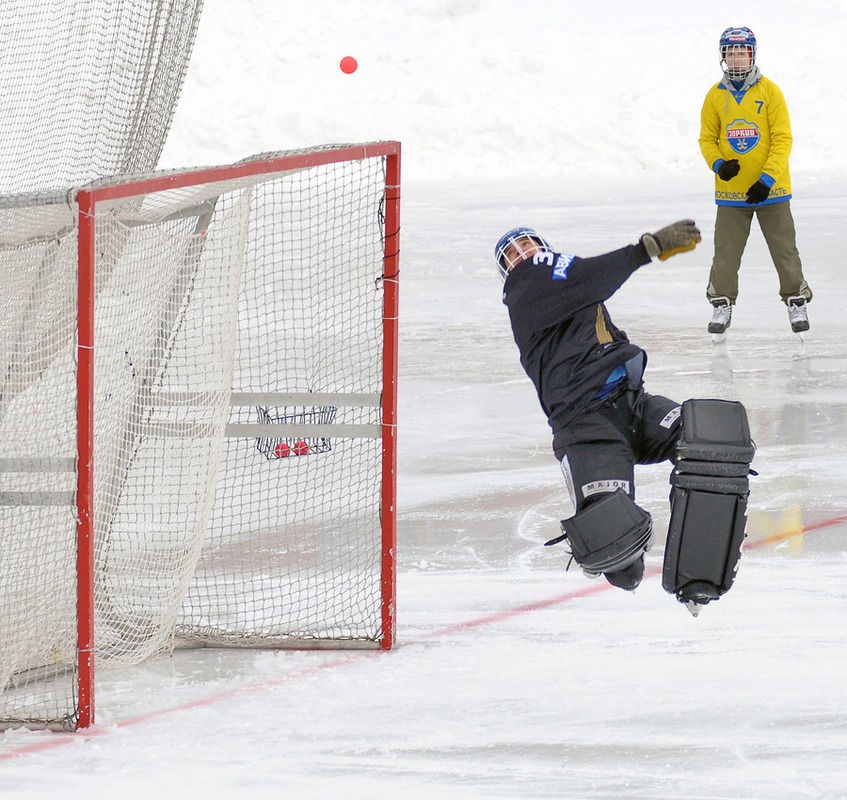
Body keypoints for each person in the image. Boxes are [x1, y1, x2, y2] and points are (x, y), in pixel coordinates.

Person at [495, 222, 755, 612]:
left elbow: (589, 286)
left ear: (544, 247)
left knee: (710, 440)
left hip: (632, 406)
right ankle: (603, 522)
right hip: (587, 431)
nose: (522, 254)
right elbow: (595, 275)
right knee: (620, 561)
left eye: (527, 244)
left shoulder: (564, 282)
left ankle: (699, 573)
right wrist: (644, 249)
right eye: (511, 254)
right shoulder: (525, 287)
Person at [699, 26, 812, 336]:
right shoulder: (714, 96)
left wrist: (766, 179)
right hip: (732, 195)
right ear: (723, 57)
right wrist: (719, 165)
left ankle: (795, 300)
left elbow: (782, 139)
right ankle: (721, 304)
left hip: (771, 191)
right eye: (730, 53)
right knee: (725, 253)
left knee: (784, 249)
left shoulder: (769, 91)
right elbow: (707, 138)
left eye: (742, 52)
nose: (736, 59)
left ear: (752, 55)